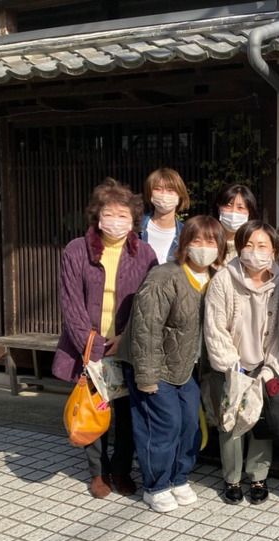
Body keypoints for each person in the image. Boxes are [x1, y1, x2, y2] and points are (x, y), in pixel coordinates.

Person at [53, 178, 157, 498]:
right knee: (93, 407)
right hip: (88, 347)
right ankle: (98, 472)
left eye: (123, 215)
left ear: (134, 220)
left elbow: (149, 303)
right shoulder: (76, 250)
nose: (116, 221)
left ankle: (122, 468)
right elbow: (71, 303)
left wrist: (123, 338)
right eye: (109, 214)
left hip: (126, 347)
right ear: (97, 216)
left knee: (126, 414)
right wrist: (93, 345)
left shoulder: (145, 253)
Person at [118, 215, 226, 512]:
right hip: (153, 364)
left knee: (190, 422)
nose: (203, 247)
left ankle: (178, 477)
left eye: (210, 241)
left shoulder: (216, 278)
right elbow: (146, 327)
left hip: (184, 367)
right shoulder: (165, 276)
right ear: (184, 243)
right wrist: (146, 375)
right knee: (163, 424)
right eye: (196, 240)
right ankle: (156, 485)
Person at [204, 221, 279, 505]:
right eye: (248, 245)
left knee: (261, 420)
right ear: (238, 248)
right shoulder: (223, 280)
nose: (255, 252)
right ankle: (232, 478)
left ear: (273, 251)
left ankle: (259, 475)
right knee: (231, 423)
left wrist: (269, 368)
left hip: (264, 364)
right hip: (232, 366)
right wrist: (232, 366)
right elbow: (215, 328)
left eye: (262, 246)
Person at [140, 168, 190, 264]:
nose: (164, 194)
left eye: (170, 190)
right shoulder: (134, 228)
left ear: (179, 195)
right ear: (150, 194)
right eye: (157, 189)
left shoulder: (186, 235)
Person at [214, 183, 259, 262]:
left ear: (249, 212)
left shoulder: (255, 243)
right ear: (218, 208)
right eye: (228, 206)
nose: (233, 212)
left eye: (240, 208)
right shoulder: (209, 240)